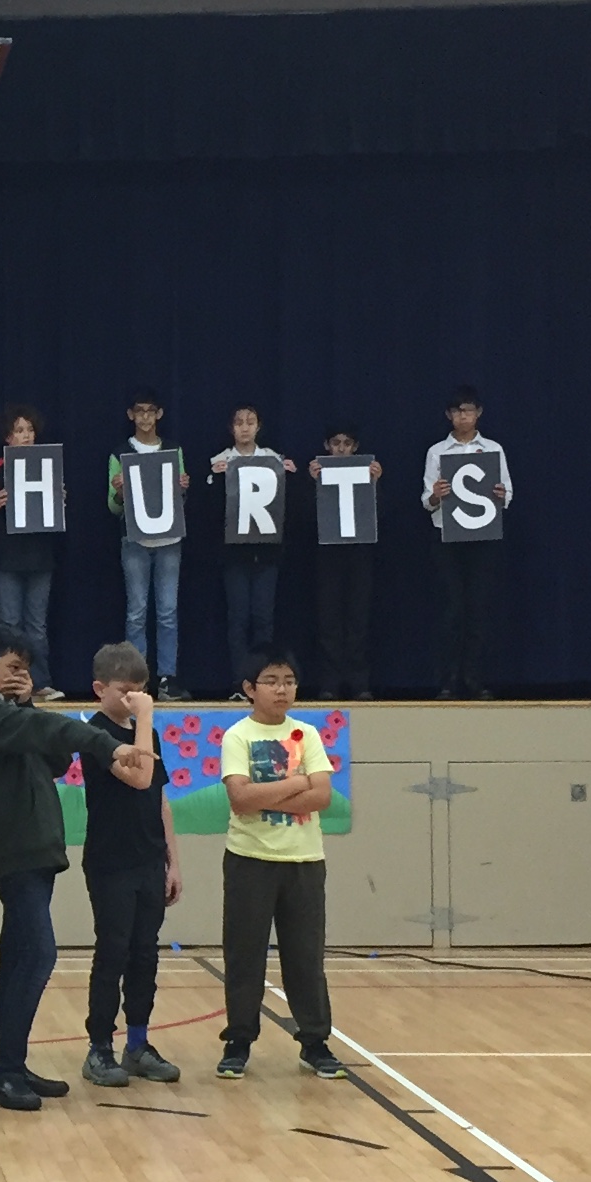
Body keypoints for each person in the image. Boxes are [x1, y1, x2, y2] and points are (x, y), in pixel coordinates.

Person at [0, 624, 152, 1112]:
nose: (19, 676)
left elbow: (57, 759)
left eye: (25, 669)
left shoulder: (13, 715)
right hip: (15, 849)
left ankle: (12, 1065)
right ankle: (5, 1072)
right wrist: (107, 745)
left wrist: (26, 703)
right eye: (11, 667)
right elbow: (48, 733)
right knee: (38, 955)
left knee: (20, 957)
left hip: (35, 850)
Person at [216, 651, 343, 1077]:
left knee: (306, 956)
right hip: (249, 859)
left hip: (304, 860)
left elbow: (321, 796)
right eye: (271, 681)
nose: (282, 689)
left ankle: (315, 1041)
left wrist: (267, 795)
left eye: (288, 680)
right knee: (245, 954)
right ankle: (238, 1041)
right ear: (250, 689)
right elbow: (240, 798)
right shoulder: (237, 736)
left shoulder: (308, 734)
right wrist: (296, 782)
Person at [79, 642, 180, 1086]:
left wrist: (172, 861)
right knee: (113, 952)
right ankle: (99, 1048)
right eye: (125, 691)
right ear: (100, 689)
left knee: (145, 954)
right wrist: (146, 717)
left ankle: (138, 1043)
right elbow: (138, 777)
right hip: (111, 862)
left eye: (141, 690)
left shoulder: (145, 734)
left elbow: (158, 797)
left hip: (148, 860)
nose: (136, 699)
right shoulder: (96, 736)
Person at [419, 386, 512, 698]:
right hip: (446, 536)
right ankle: (447, 680)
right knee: (452, 610)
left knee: (478, 610)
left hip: (482, 536)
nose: (463, 416)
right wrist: (436, 495)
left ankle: (474, 678)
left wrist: (500, 495)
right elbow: (426, 500)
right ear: (449, 415)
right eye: (458, 411)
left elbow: (507, 493)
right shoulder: (437, 451)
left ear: (478, 413)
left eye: (468, 410)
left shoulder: (493, 449)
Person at [207, 405, 293, 697]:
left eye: (250, 422)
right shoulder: (221, 461)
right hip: (235, 555)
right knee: (238, 619)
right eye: (239, 422)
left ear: (258, 427)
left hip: (266, 554)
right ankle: (240, 682)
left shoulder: (272, 459)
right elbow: (210, 511)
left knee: (264, 619)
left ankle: (264, 681)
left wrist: (289, 475)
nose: (244, 427)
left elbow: (286, 509)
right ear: (231, 428)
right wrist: (216, 479)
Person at [0, 405, 63, 700]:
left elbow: (55, 513)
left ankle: (38, 683)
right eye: (19, 430)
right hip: (6, 558)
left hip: (40, 557)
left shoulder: (47, 466)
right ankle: (7, 685)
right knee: (9, 625)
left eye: (29, 430)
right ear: (8, 437)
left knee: (37, 626)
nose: (26, 436)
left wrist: (58, 502)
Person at [107, 390, 185, 701]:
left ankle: (167, 678)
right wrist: (119, 492)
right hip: (134, 539)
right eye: (139, 411)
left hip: (169, 540)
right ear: (131, 415)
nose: (145, 417)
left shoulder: (173, 450)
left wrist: (183, 488)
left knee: (167, 612)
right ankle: (136, 680)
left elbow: (179, 500)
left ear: (159, 414)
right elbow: (113, 506)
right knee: (136, 612)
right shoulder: (120, 453)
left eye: (150, 411)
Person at [307, 426, 381, 701]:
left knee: (357, 620)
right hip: (327, 555)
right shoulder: (318, 474)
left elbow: (381, 514)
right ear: (327, 445)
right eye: (336, 443)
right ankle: (330, 683)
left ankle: (359, 682)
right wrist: (312, 483)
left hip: (359, 553)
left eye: (347, 443)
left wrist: (375, 483)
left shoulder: (366, 473)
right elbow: (302, 517)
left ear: (355, 447)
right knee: (329, 620)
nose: (341, 448)